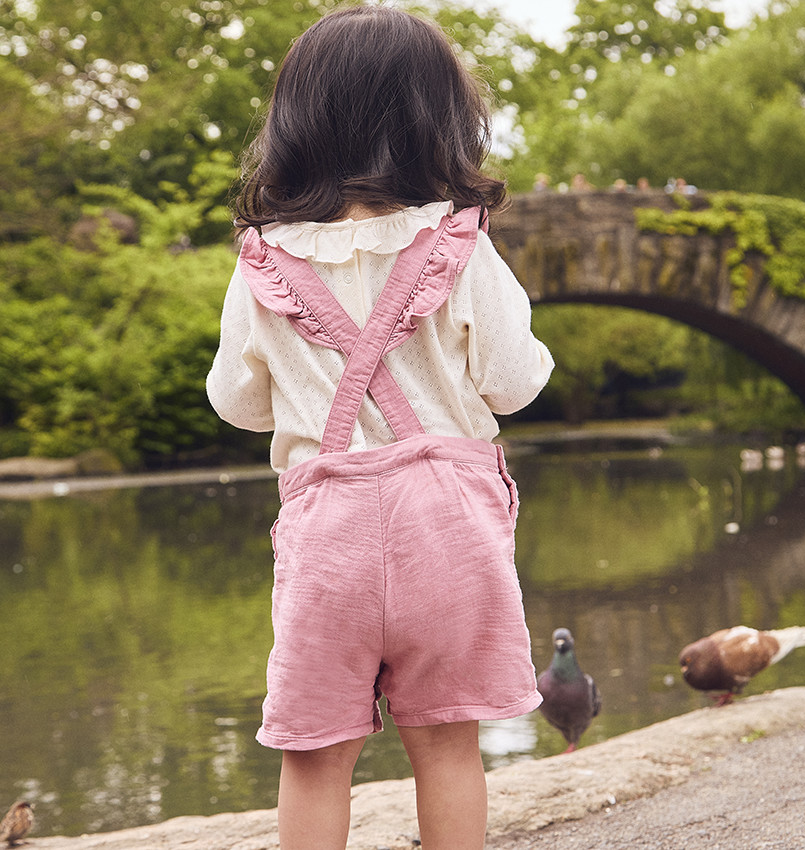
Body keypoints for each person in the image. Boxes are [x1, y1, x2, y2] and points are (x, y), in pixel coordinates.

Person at [206, 6, 554, 849]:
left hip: (331, 543)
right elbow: (512, 385)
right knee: (446, 744)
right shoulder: (463, 247)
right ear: (437, 120)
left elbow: (237, 403)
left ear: (297, 122)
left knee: (315, 754)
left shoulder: (261, 262)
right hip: (449, 536)